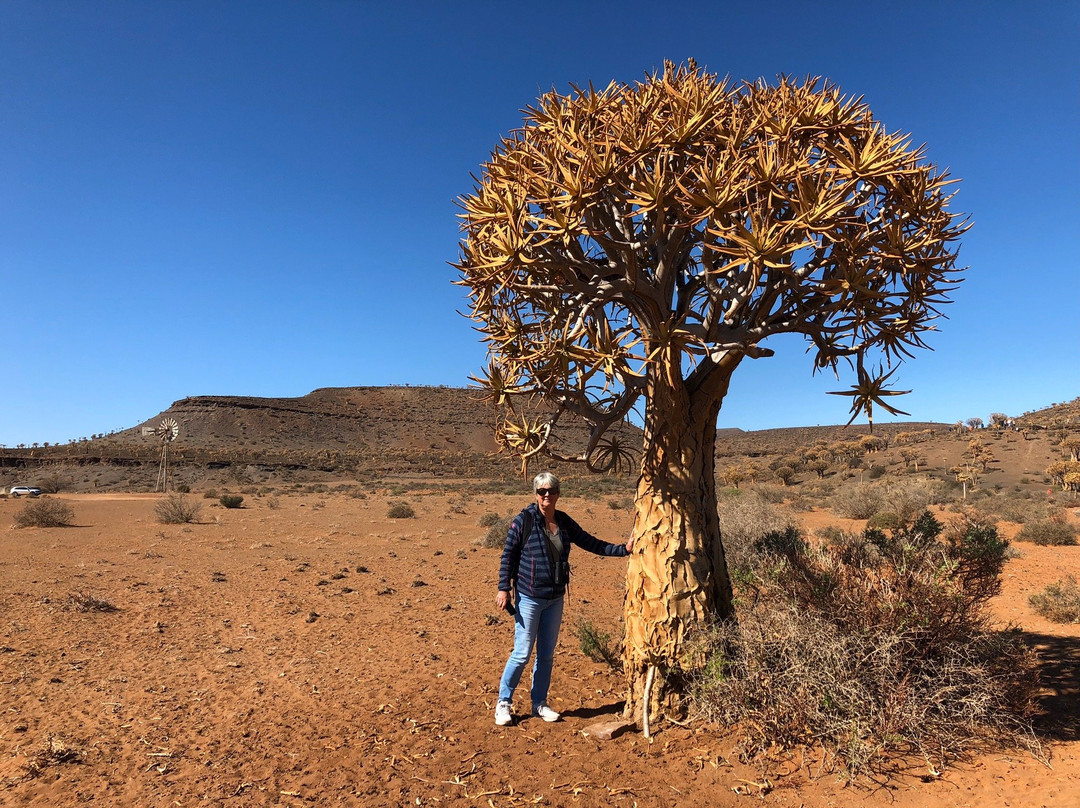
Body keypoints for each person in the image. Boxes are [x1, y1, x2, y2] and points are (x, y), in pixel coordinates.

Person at [494, 472, 633, 726]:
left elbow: (591, 543)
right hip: (529, 597)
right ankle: (504, 702)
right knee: (523, 653)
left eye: (551, 490)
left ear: (558, 493)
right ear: (536, 494)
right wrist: (504, 588)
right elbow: (508, 556)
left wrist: (623, 549)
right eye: (542, 491)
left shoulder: (564, 521)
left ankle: (539, 704)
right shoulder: (523, 521)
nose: (547, 495)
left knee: (546, 655)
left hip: (555, 598)